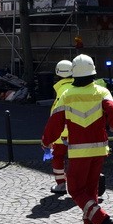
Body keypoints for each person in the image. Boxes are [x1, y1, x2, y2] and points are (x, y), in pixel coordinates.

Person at [42, 54, 113, 224]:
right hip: (99, 149)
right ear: (93, 72)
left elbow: (54, 124)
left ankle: (104, 221)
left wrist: (46, 142)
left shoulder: (66, 94)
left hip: (78, 151)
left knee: (76, 190)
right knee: (90, 190)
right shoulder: (102, 91)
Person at [48, 59, 75, 194]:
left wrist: (49, 136)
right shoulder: (77, 87)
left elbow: (56, 114)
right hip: (77, 131)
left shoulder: (61, 90)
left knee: (58, 157)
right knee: (77, 158)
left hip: (61, 133)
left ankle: (61, 184)